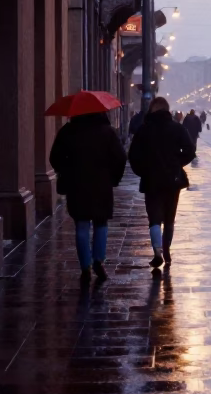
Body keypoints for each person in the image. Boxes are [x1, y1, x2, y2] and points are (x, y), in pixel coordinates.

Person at [49, 111, 127, 283]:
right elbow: (121, 157)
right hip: (102, 185)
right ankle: (98, 259)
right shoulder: (108, 131)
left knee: (82, 224)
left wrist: (66, 170)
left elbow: (54, 158)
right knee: (101, 222)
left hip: (77, 185)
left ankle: (85, 266)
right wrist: (114, 178)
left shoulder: (68, 131)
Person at [128, 96, 195, 269]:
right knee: (170, 218)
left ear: (152, 110)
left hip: (151, 179)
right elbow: (189, 151)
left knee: (154, 218)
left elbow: (133, 155)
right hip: (172, 179)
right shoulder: (177, 128)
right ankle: (166, 250)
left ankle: (157, 250)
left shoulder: (144, 129)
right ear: (167, 110)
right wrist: (176, 163)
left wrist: (142, 171)